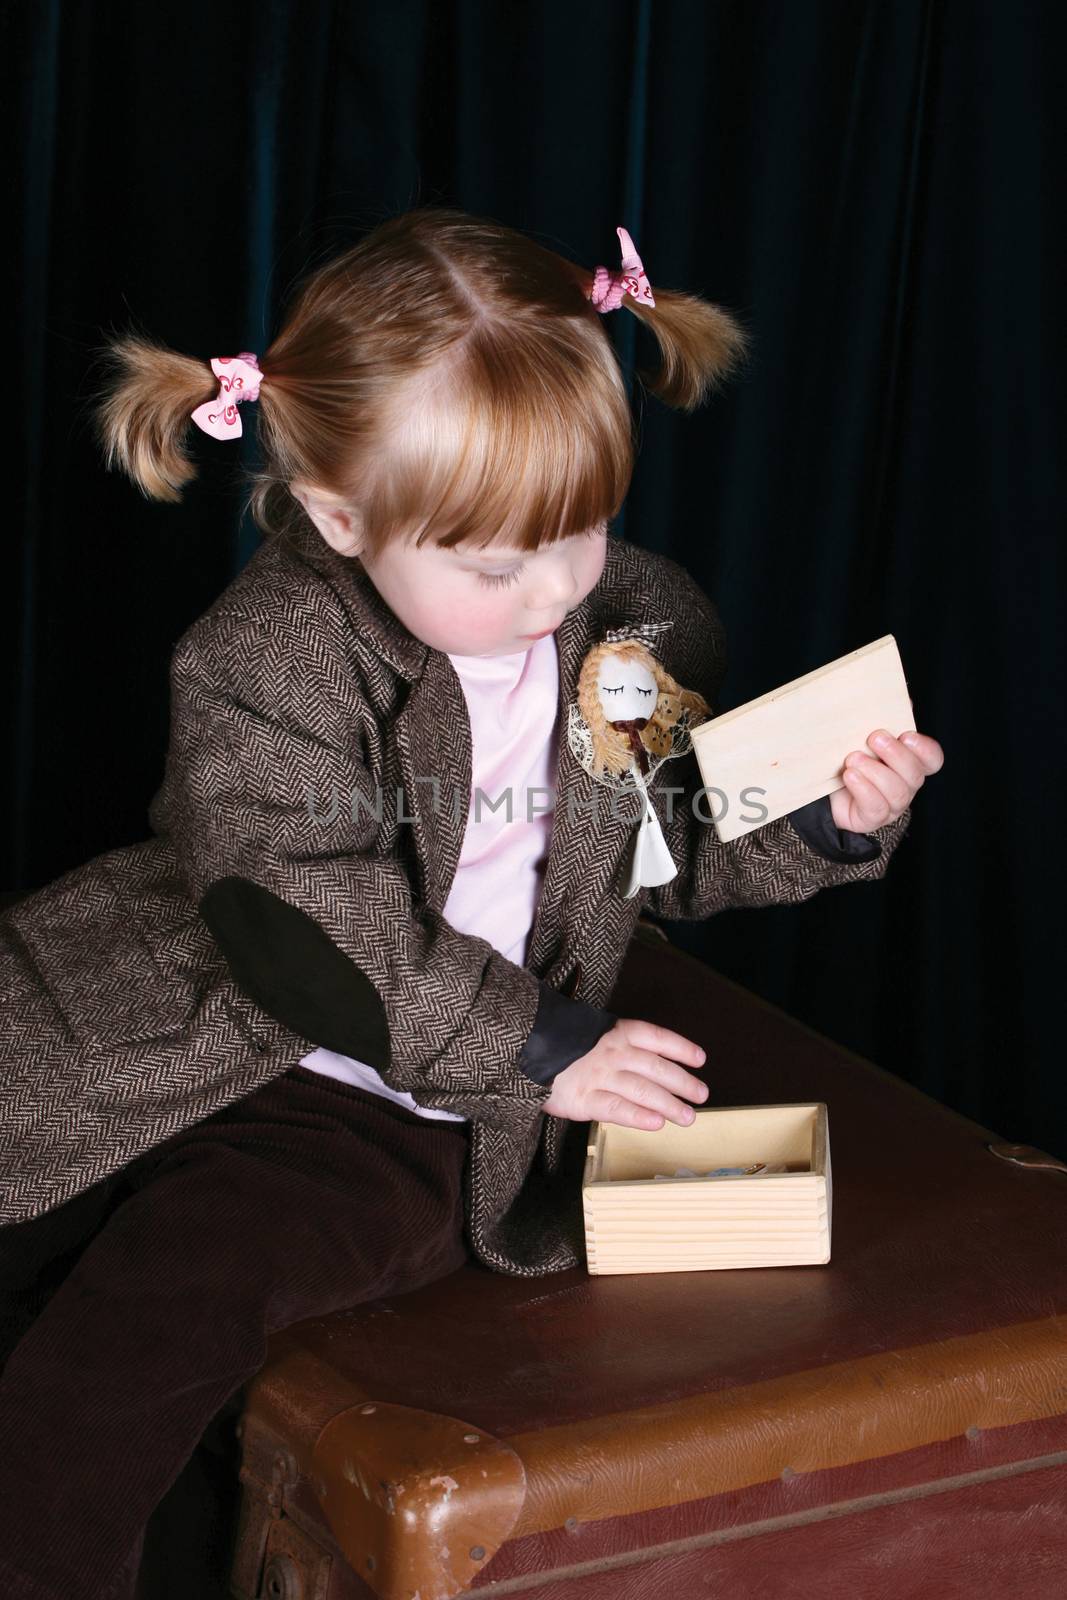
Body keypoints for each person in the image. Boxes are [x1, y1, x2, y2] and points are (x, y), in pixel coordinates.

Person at [0, 206, 944, 1598]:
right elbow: (296, 912)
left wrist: (821, 814)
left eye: (580, 527)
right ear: (342, 516)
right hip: (207, 1003)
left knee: (146, 1332)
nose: (549, 587)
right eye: (494, 562)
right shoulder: (269, 653)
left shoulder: (630, 624)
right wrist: (550, 1041)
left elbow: (674, 839)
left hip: (392, 1115)